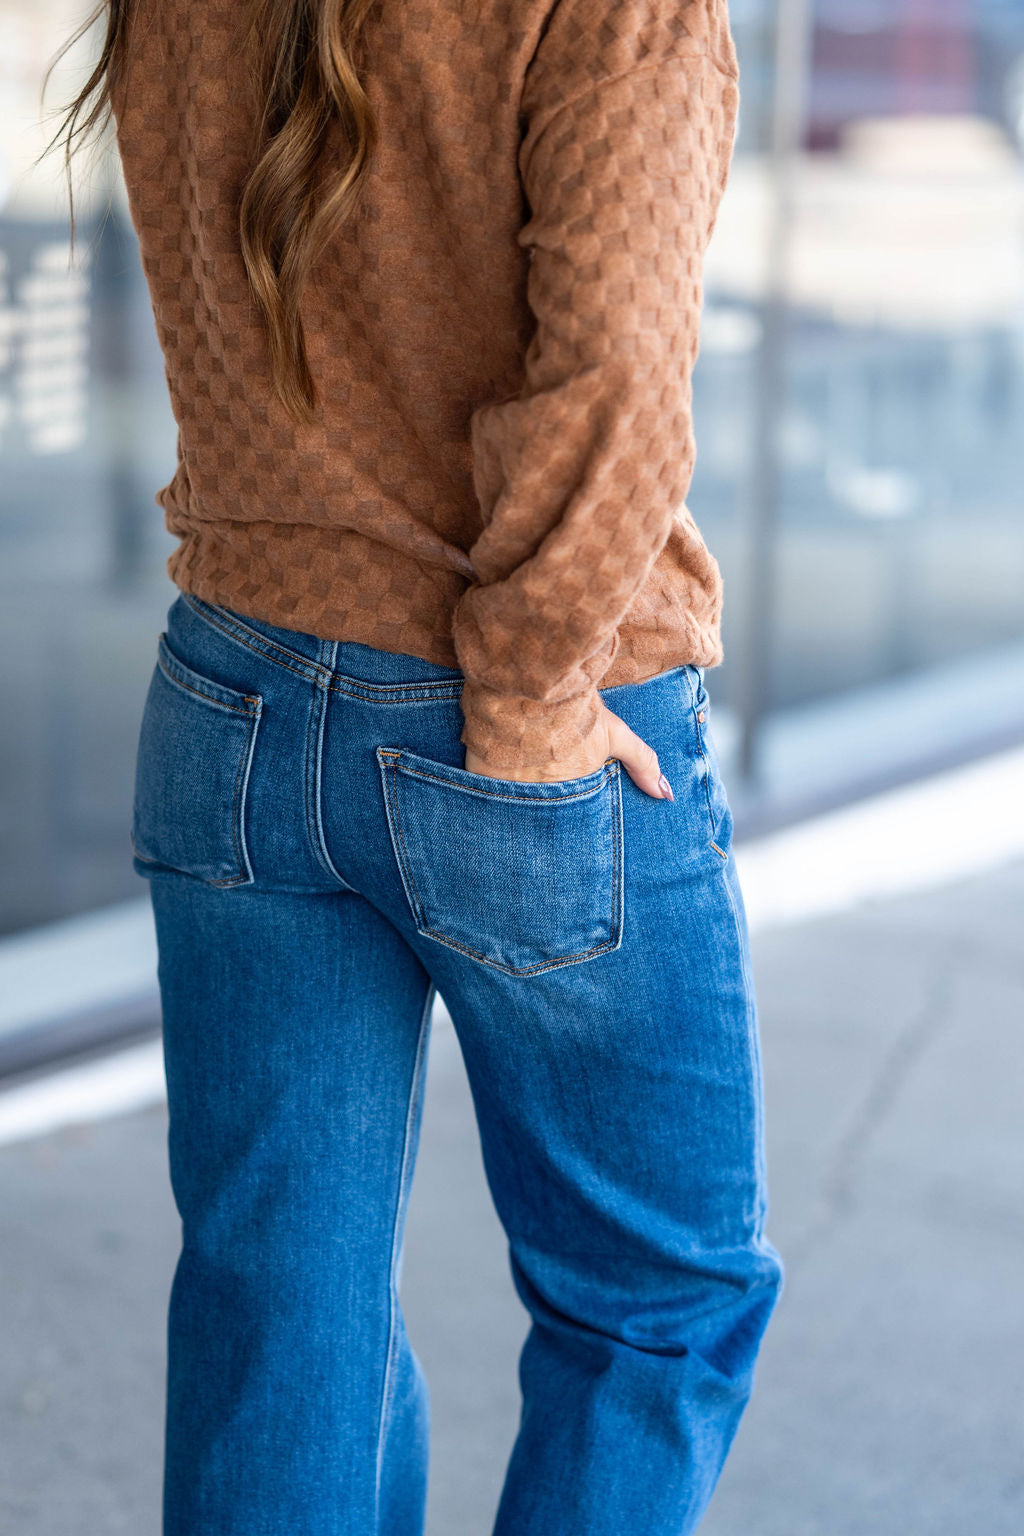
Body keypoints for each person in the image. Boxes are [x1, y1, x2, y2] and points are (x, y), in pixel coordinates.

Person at [52, 0, 782, 1531]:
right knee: (655, 1305)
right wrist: (531, 694)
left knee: (281, 1305)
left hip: (235, 690)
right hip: (514, 711)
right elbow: (617, 373)